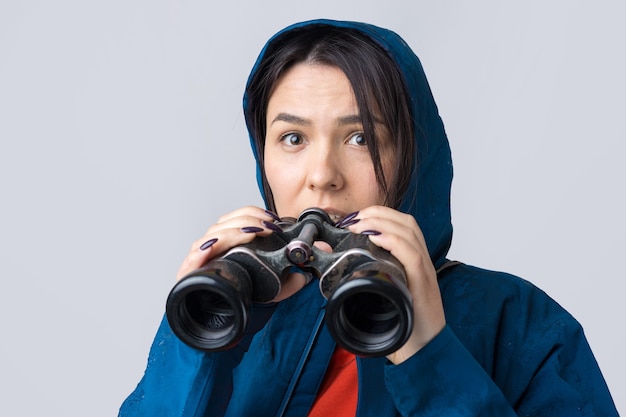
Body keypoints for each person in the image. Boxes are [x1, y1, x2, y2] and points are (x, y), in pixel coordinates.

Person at [119, 19, 619, 416]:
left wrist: (428, 352)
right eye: (293, 139)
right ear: (263, 157)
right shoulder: (231, 311)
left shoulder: (520, 320)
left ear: (413, 155)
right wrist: (190, 341)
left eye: (361, 139)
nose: (322, 176)